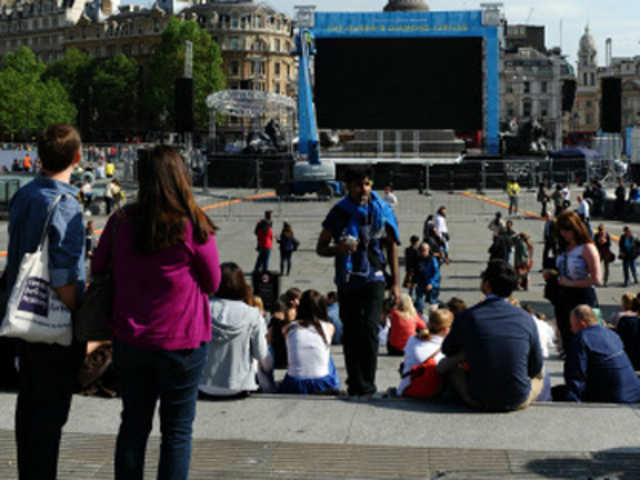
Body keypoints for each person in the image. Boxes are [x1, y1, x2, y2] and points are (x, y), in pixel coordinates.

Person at [91, 145, 221, 480]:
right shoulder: (192, 224)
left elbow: (99, 265)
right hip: (183, 341)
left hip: (131, 338)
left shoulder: (121, 221)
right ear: (180, 177)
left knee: (133, 426)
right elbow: (213, 281)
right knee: (176, 432)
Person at [5, 124, 86, 480]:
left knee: (29, 409)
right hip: (52, 325)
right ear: (77, 157)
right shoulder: (66, 205)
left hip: (21, 314)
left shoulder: (25, 195)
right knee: (51, 417)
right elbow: (64, 276)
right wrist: (80, 313)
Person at [316, 167, 400, 396]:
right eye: (358, 185)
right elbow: (320, 248)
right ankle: (355, 382)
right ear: (348, 187)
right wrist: (339, 249)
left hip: (375, 276)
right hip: (348, 279)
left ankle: (368, 383)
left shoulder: (382, 209)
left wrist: (396, 284)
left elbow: (392, 244)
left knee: (371, 329)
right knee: (352, 331)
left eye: (367, 184)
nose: (363, 189)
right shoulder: (339, 213)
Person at [440, 260, 544, 411]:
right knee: (539, 377)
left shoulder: (468, 316)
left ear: (487, 285)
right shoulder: (526, 318)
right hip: (516, 398)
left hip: (478, 398)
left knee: (454, 369)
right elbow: (535, 367)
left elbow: (448, 349)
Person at [199, 263, 274, 398]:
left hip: (204, 384)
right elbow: (260, 353)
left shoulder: (202, 309)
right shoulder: (252, 314)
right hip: (239, 386)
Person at [553, 305, 640, 403]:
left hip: (612, 396)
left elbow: (575, 374)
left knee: (556, 392)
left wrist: (573, 402)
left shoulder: (582, 338)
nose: (572, 329)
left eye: (572, 325)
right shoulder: (611, 334)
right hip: (634, 392)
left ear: (583, 324)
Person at [544, 211, 601, 355]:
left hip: (581, 297)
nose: (564, 234)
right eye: (561, 230)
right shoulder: (563, 248)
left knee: (584, 339)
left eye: (567, 230)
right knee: (567, 338)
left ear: (576, 228)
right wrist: (551, 274)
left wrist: (570, 283)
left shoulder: (587, 248)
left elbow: (597, 279)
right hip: (562, 298)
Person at [279, 290, 340, 394]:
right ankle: (334, 386)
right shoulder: (329, 327)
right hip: (321, 383)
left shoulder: (287, 328)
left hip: (294, 384)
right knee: (327, 356)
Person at [397, 308, 453, 398]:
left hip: (405, 388)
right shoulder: (445, 348)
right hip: (429, 392)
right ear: (446, 330)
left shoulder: (412, 339)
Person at [413, 242, 441, 313]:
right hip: (421, 284)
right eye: (421, 250)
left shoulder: (432, 259)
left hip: (432, 285)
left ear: (428, 250)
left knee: (433, 303)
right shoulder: (418, 259)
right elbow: (415, 271)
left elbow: (437, 273)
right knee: (419, 303)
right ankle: (419, 316)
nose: (423, 252)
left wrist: (431, 283)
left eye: (424, 250)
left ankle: (434, 317)